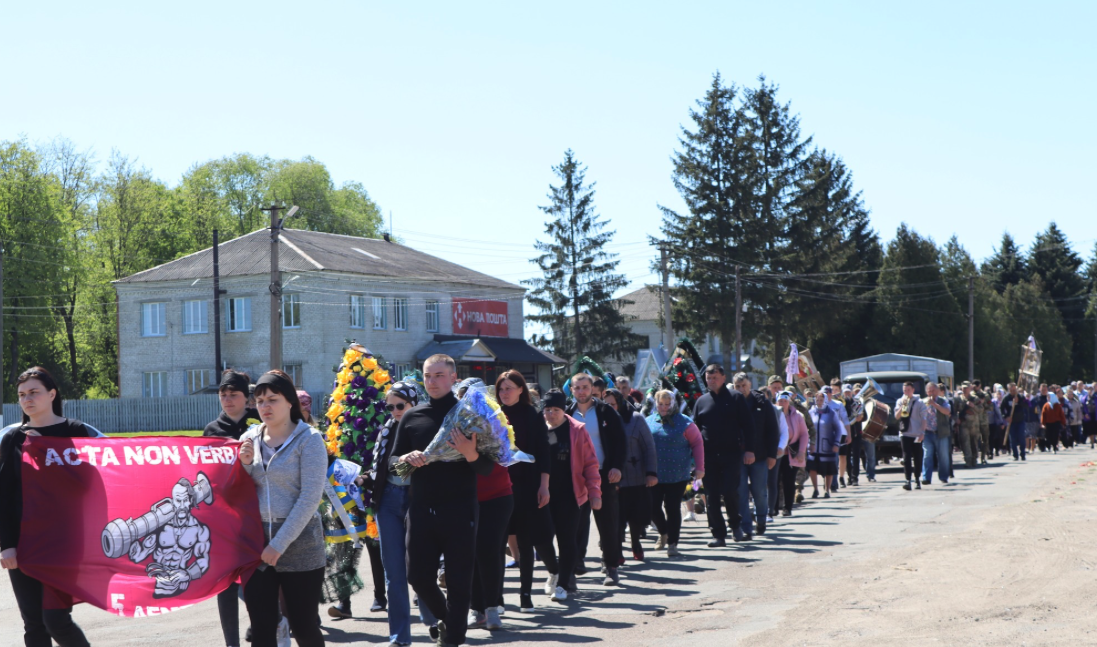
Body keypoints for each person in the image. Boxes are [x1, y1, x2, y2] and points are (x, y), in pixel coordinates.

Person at [394, 356, 495, 647]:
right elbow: (392, 462)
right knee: (418, 576)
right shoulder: (413, 416)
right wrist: (404, 458)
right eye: (427, 376)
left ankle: (453, 639)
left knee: (459, 582)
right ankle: (450, 624)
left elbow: (488, 466)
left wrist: (469, 452)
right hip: (422, 509)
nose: (432, 381)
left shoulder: (471, 415)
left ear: (453, 377)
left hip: (461, 510)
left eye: (439, 375)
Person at [0, 367, 93, 647]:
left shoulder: (74, 432)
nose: (27, 399)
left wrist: (47, 455)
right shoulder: (13, 438)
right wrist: (6, 544)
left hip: (63, 543)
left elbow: (91, 486)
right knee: (34, 625)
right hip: (23, 544)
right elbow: (4, 495)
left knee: (57, 621)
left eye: (33, 392)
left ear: (51, 394)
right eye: (21, 394)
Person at [238, 370, 328, 647]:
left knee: (303, 628)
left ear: (290, 402)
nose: (265, 406)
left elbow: (310, 497)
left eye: (272, 400)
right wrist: (243, 464)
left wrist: (278, 544)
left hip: (300, 542)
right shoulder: (249, 437)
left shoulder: (309, 439)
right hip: (255, 543)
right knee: (262, 629)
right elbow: (237, 490)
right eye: (260, 400)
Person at [368, 380, 437, 646]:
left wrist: (401, 464)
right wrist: (367, 478)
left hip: (416, 501)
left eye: (401, 405)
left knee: (419, 568)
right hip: (387, 502)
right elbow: (383, 469)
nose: (395, 411)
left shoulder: (424, 427)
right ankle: (399, 637)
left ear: (413, 403)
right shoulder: (386, 431)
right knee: (393, 573)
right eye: (391, 407)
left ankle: (433, 619)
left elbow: (427, 466)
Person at [203, 369, 259, 647]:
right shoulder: (212, 430)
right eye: (223, 394)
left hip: (259, 512)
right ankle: (231, 643)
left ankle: (263, 627)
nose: (227, 399)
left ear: (247, 398)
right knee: (225, 583)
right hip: (225, 514)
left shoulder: (261, 424)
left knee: (257, 580)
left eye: (233, 394)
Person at [497, 371, 552, 613]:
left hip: (526, 486)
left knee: (526, 541)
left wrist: (544, 485)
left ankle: (525, 594)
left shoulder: (532, 414)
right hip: (497, 486)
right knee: (497, 543)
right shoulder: (493, 415)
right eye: (501, 389)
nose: (505, 393)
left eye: (509, 388)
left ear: (521, 389)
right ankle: (496, 598)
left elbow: (543, 452)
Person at [540, 390, 602, 603]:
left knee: (567, 540)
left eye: (555, 410)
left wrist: (595, 492)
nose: (551, 414)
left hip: (571, 494)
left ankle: (563, 584)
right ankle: (554, 571)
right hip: (542, 494)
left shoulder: (577, 430)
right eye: (547, 410)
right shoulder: (538, 429)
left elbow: (590, 463)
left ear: (563, 410)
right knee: (541, 539)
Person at [566, 374, 625, 587]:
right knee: (574, 525)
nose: (581, 391)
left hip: (603, 474)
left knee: (608, 522)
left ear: (592, 388)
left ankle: (611, 566)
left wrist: (617, 466)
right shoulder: (566, 413)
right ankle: (572, 567)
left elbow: (620, 442)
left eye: (585, 387)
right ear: (571, 390)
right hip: (574, 477)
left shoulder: (605, 411)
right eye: (577, 388)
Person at [466, 378, 514, 632]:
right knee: (471, 554)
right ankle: (477, 609)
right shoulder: (454, 423)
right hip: (466, 498)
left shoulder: (496, 420)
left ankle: (493, 606)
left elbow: (503, 455)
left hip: (497, 496)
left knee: (489, 552)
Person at [692, 365, 752, 546]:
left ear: (724, 378)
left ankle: (736, 526)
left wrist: (750, 450)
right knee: (711, 495)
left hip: (731, 454)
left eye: (715, 378)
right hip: (708, 456)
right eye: (709, 378)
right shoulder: (701, 401)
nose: (711, 381)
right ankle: (718, 534)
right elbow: (694, 431)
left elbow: (748, 426)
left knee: (729, 491)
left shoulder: (736, 398)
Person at [645, 390, 705, 557]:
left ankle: (672, 543)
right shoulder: (648, 421)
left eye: (667, 404)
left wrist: (700, 467)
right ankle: (663, 532)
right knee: (652, 507)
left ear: (673, 404)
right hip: (654, 474)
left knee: (672, 508)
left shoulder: (685, 423)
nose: (664, 407)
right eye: (660, 404)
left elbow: (697, 444)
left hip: (678, 475)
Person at [603, 389, 656, 562]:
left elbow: (649, 447)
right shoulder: (602, 421)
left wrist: (651, 472)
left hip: (635, 476)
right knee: (615, 517)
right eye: (606, 405)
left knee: (636, 516)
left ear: (619, 402)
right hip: (611, 477)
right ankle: (616, 551)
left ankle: (635, 543)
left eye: (612, 404)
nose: (609, 408)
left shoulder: (636, 419)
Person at [776, 392, 809, 516]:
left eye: (784, 401)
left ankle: (787, 507)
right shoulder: (773, 413)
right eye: (780, 401)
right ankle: (773, 507)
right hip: (776, 453)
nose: (782, 403)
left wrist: (801, 451)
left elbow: (804, 434)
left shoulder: (797, 416)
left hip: (792, 452)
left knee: (789, 481)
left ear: (788, 402)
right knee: (774, 480)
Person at [807, 391, 842, 499]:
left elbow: (838, 429)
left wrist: (836, 443)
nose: (819, 402)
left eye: (821, 400)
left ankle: (827, 490)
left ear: (825, 400)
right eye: (817, 400)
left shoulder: (831, 413)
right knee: (812, 468)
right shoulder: (811, 412)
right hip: (813, 445)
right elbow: (806, 427)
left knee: (828, 469)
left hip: (827, 446)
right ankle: (815, 489)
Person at [895, 381, 927, 491]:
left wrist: (922, 432)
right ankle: (907, 480)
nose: (906, 392)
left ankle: (917, 479)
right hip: (905, 433)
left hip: (917, 434)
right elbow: (896, 416)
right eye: (904, 390)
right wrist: (902, 406)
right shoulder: (900, 401)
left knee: (918, 457)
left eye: (908, 390)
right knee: (906, 457)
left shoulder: (920, 402)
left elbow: (924, 418)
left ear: (913, 390)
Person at [921, 383, 951, 485]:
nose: (931, 393)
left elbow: (947, 411)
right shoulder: (922, 402)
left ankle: (943, 476)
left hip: (940, 433)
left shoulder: (942, 401)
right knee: (927, 455)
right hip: (927, 433)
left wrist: (934, 404)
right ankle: (926, 478)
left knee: (943, 456)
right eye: (929, 391)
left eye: (933, 391)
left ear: (937, 391)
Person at [1000, 383, 1027, 461]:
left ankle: (1023, 454)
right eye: (1011, 390)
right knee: (1013, 439)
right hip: (1011, 422)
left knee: (1021, 437)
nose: (1013, 392)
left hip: (1020, 420)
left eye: (1014, 390)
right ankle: (1015, 455)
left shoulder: (1021, 397)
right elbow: (1001, 409)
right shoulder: (1006, 398)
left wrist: (1020, 402)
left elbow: (1028, 405)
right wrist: (1006, 417)